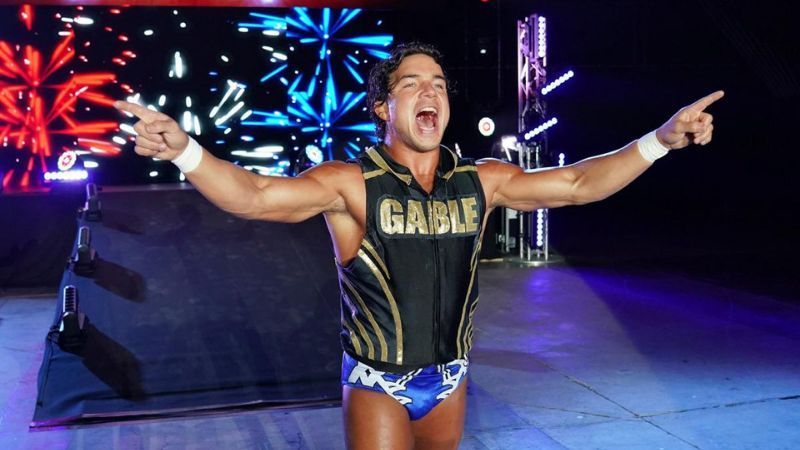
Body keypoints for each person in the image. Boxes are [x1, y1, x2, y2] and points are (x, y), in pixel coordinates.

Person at [115, 42, 722, 450]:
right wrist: (184, 152)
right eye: (412, 84)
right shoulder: (349, 184)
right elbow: (251, 195)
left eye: (438, 84)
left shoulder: (481, 179)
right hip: (380, 382)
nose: (429, 92)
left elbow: (578, 183)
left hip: (451, 379)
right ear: (384, 106)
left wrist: (662, 141)